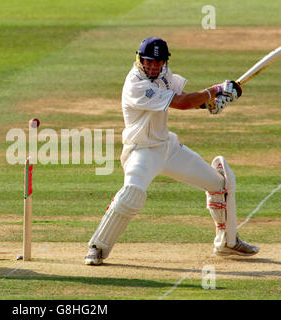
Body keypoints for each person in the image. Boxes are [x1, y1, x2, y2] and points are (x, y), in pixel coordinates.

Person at [85, 37, 259, 265]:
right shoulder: (135, 84)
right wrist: (216, 90)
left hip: (167, 147)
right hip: (141, 151)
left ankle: (227, 242)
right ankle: (97, 246)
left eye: (158, 62)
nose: (154, 67)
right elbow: (182, 102)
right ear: (139, 59)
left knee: (220, 184)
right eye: (149, 62)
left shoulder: (164, 74)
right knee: (132, 193)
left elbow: (187, 98)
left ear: (164, 62)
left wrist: (211, 103)